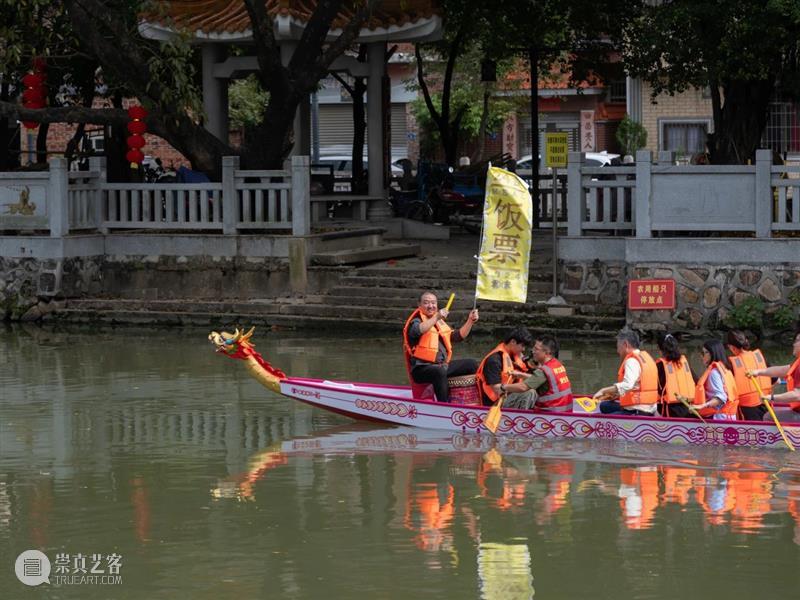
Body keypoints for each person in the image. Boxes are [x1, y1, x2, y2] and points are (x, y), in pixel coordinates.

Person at [403, 291, 480, 403]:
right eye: (426, 303)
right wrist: (437, 317)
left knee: (471, 364)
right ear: (419, 305)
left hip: (441, 366)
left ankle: (468, 399)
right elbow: (417, 330)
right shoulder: (416, 320)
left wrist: (470, 321)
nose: (430, 306)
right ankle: (443, 405)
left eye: (433, 303)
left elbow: (457, 336)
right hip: (421, 369)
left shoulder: (439, 323)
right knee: (439, 372)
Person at [593, 330, 658, 416]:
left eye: (618, 347)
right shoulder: (646, 357)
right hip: (648, 407)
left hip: (638, 411)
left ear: (625, 345)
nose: (617, 351)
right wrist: (616, 395)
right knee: (604, 406)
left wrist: (603, 390)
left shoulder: (631, 361)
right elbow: (637, 386)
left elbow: (628, 385)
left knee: (601, 420)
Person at [475, 327, 535, 409]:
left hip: (509, 395)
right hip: (496, 402)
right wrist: (521, 387)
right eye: (522, 346)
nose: (523, 349)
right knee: (529, 393)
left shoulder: (515, 357)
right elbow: (497, 389)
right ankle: (520, 419)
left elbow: (530, 373)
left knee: (535, 389)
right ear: (513, 342)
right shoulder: (494, 360)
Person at [515, 335, 573, 412]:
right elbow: (541, 379)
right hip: (566, 411)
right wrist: (522, 375)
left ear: (547, 353)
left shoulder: (543, 370)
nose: (533, 351)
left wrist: (502, 387)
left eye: (536, 349)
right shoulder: (558, 364)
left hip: (551, 414)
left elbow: (523, 387)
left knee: (529, 393)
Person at [751, 331, 800, 422]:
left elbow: (797, 395)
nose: (793, 344)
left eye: (797, 341)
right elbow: (781, 370)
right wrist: (758, 372)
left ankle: (785, 436)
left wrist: (772, 398)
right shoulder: (797, 363)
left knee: (768, 417)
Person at [725, 329, 772, 421]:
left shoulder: (731, 363)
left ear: (731, 347)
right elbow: (775, 379)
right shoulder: (759, 357)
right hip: (766, 403)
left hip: (747, 409)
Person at [693, 339, 738, 420]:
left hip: (719, 418)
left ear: (713, 354)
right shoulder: (725, 369)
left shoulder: (714, 373)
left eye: (705, 353)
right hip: (729, 417)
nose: (701, 356)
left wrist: (702, 406)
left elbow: (721, 397)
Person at [655, 332, 695, 417]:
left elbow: (655, 388)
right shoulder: (684, 363)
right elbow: (696, 381)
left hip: (669, 411)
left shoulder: (660, 365)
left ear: (659, 348)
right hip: (688, 408)